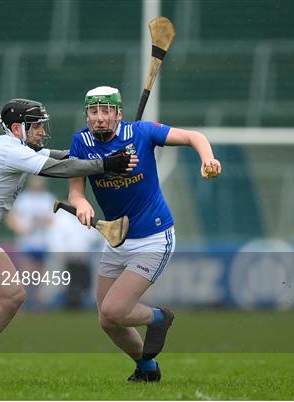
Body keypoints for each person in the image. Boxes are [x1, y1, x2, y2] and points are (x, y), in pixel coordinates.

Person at [0, 98, 138, 383]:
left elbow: (62, 157)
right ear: (18, 128)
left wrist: (102, 154)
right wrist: (107, 163)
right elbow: (59, 169)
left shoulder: (20, 148)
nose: (42, 132)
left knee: (13, 296)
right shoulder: (10, 151)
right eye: (37, 127)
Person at [68, 86, 221, 382]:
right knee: (107, 319)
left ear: (118, 113)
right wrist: (82, 203)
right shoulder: (81, 142)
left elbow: (194, 137)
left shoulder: (142, 132)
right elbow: (76, 191)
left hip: (153, 235)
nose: (99, 118)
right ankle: (147, 369)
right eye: (93, 111)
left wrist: (207, 159)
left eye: (106, 111)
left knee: (114, 310)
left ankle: (160, 317)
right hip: (116, 238)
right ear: (86, 114)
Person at [6, 176, 55, 311]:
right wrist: (20, 228)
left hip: (42, 242)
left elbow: (53, 219)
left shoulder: (48, 198)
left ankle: (37, 304)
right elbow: (11, 217)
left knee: (39, 276)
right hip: (26, 242)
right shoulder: (23, 199)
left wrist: (43, 222)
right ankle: (21, 304)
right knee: (26, 273)